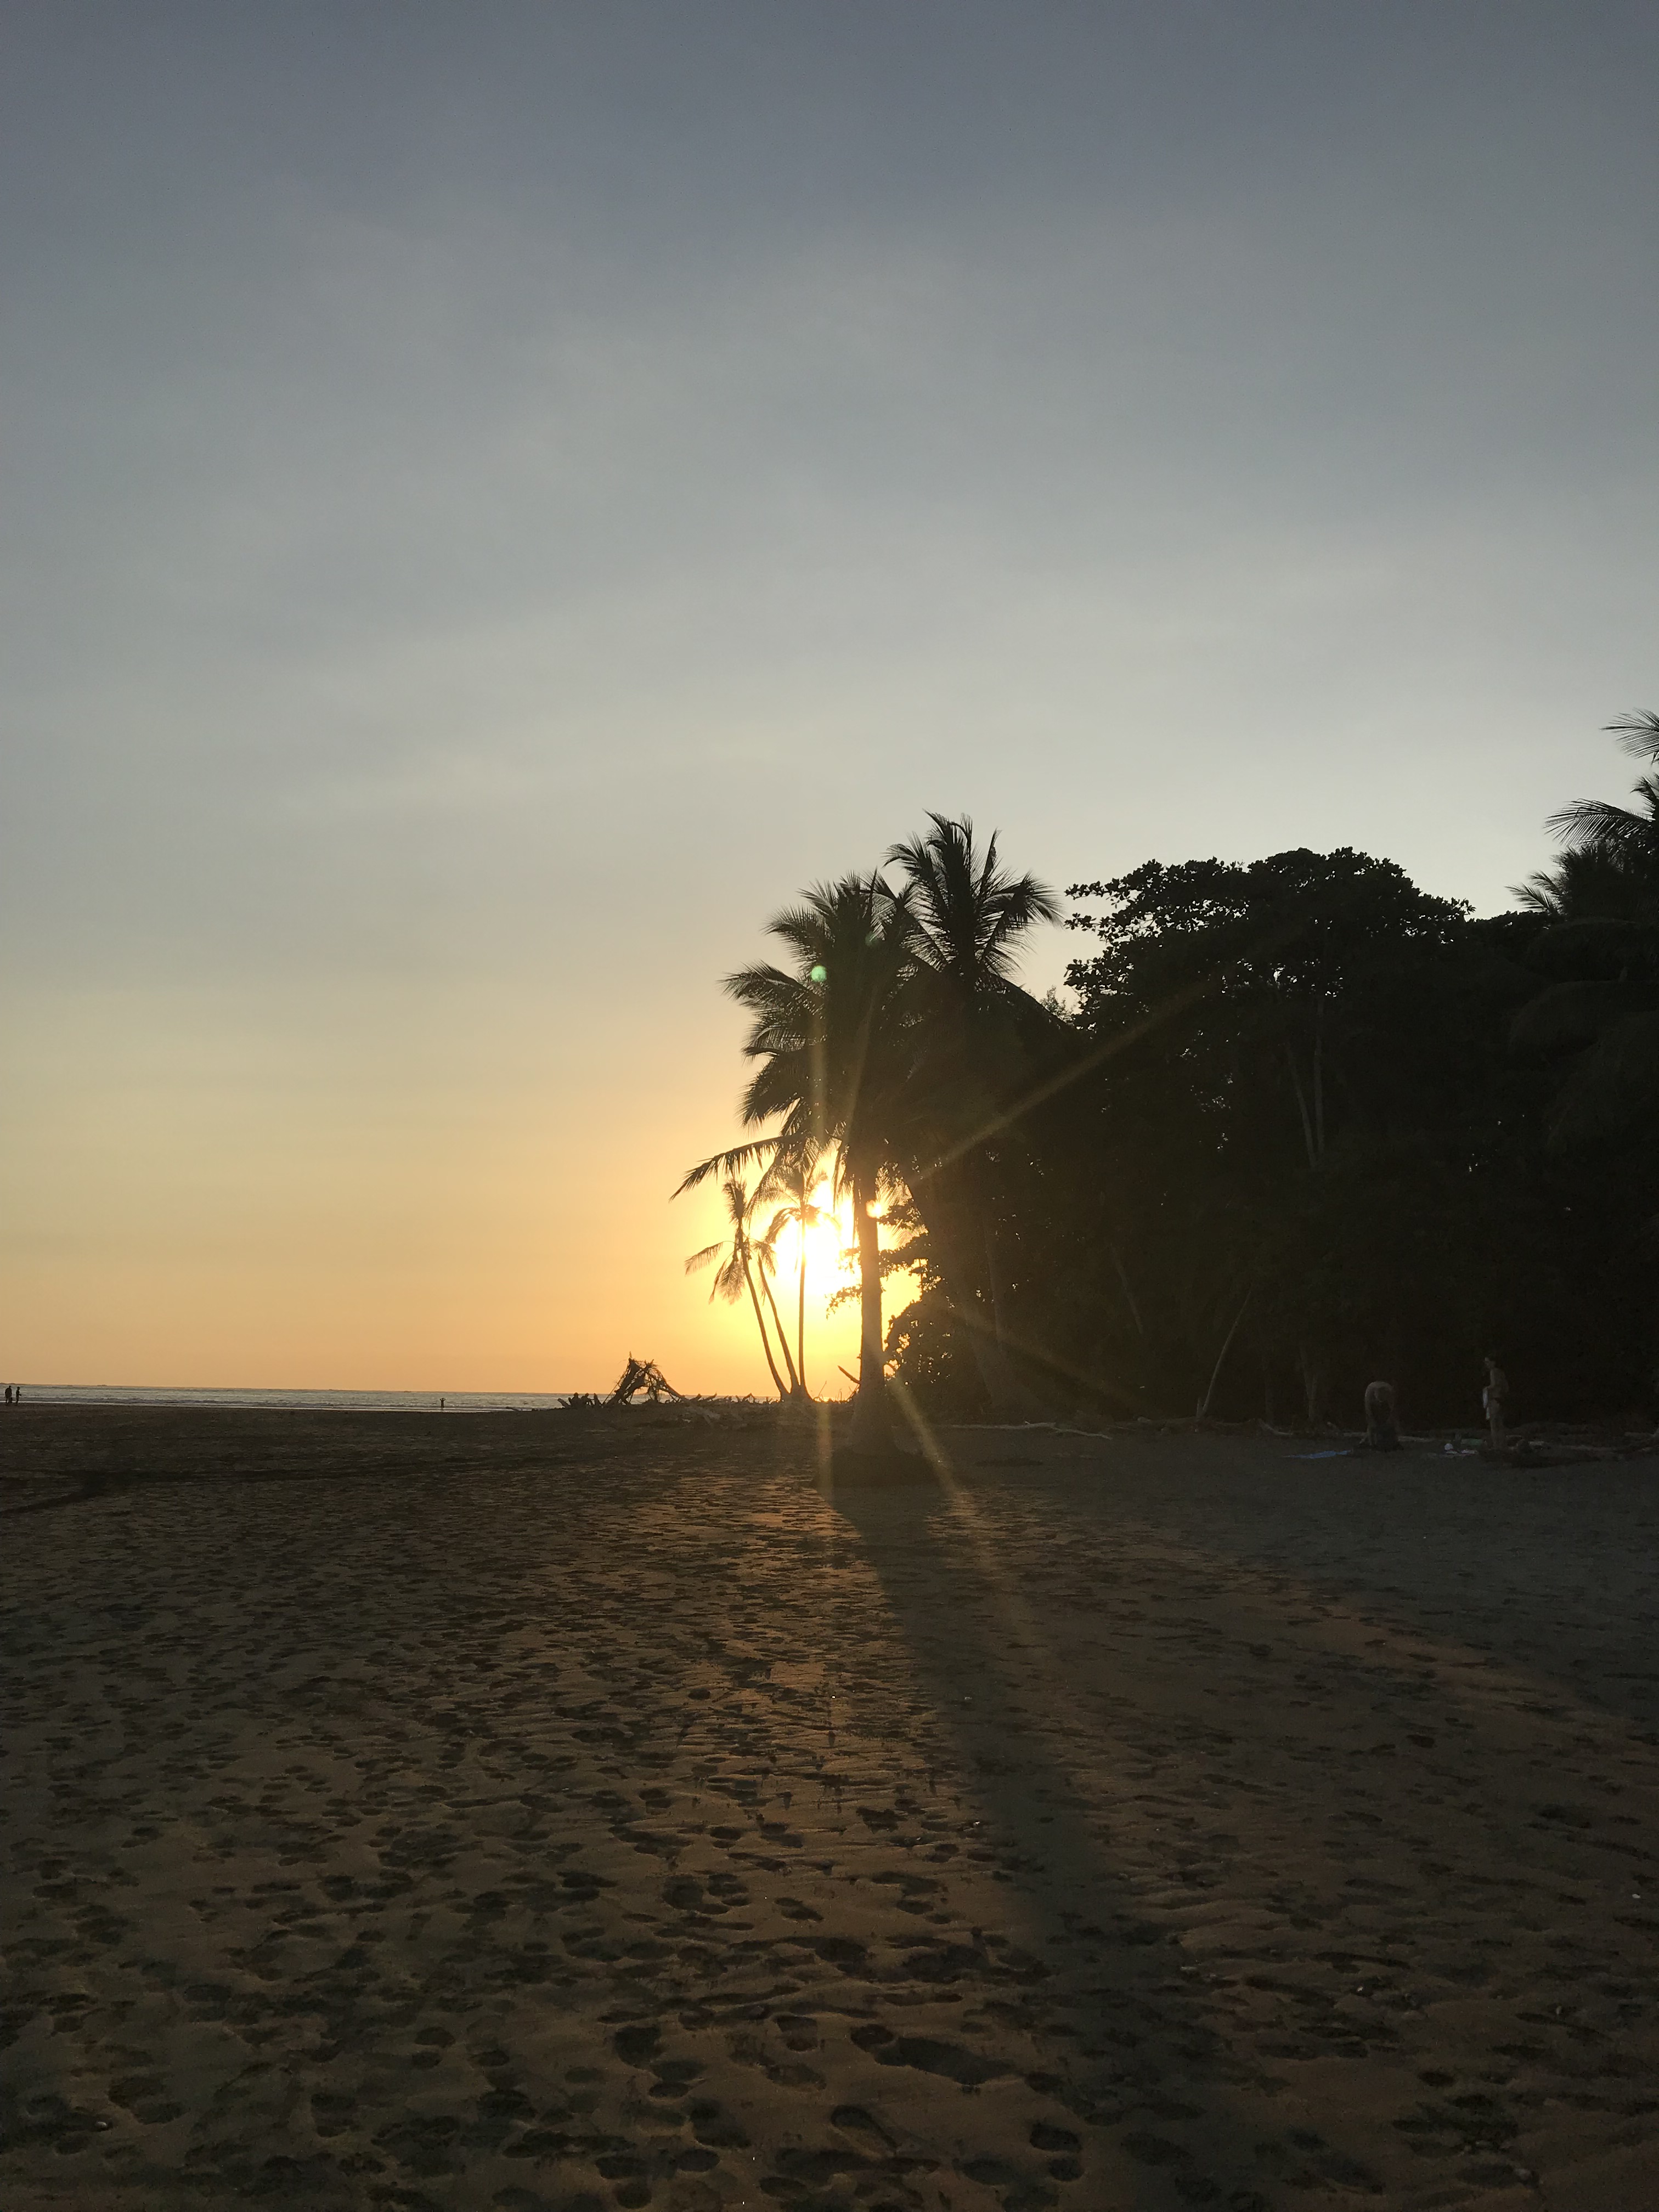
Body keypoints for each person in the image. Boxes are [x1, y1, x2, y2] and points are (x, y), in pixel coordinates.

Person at [1363, 1379, 1400, 1451]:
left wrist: (1389, 1420)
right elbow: (1369, 1411)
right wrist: (1373, 1421)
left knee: (1390, 1422)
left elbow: (1392, 1410)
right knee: (1372, 1424)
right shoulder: (1370, 1393)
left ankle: (1393, 1442)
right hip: (1372, 1400)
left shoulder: (1390, 1394)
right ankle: (1372, 1443)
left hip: (1385, 1403)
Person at [1482, 1355, 1509, 1447]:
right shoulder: (1501, 1372)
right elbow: (1506, 1388)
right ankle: (1502, 1446)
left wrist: (1486, 1389)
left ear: (1493, 1362)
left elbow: (1493, 1385)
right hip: (1501, 1400)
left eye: (1488, 1362)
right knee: (1501, 1426)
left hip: (1494, 1400)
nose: (1486, 1364)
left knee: (1494, 1426)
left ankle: (1496, 1446)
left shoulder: (1493, 1371)